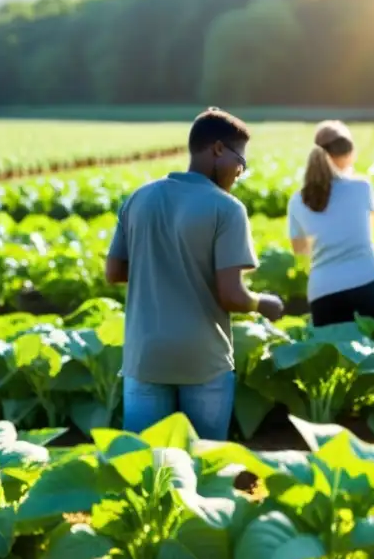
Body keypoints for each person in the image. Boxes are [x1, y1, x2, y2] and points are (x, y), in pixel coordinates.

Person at [104, 107, 284, 439]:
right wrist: (263, 304)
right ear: (217, 149)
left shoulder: (138, 199)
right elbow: (231, 295)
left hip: (145, 357)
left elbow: (114, 272)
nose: (239, 172)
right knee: (203, 465)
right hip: (203, 360)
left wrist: (160, 266)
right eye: (240, 162)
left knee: (145, 466)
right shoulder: (227, 208)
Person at [287, 120, 374, 327]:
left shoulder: (298, 200)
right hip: (368, 281)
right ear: (349, 152)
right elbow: (369, 234)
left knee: (331, 356)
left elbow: (300, 250)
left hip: (324, 290)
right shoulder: (363, 187)